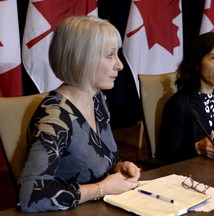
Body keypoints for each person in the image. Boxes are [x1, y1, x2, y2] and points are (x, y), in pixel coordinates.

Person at [17, 16, 140, 213]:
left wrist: (120, 167)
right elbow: (30, 195)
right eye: (110, 55)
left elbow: (106, 157)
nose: (120, 65)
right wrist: (102, 189)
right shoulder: (55, 118)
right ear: (82, 58)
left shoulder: (98, 99)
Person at [157, 32, 214, 164]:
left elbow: (213, 140)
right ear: (197, 62)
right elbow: (166, 154)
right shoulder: (178, 104)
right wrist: (197, 148)